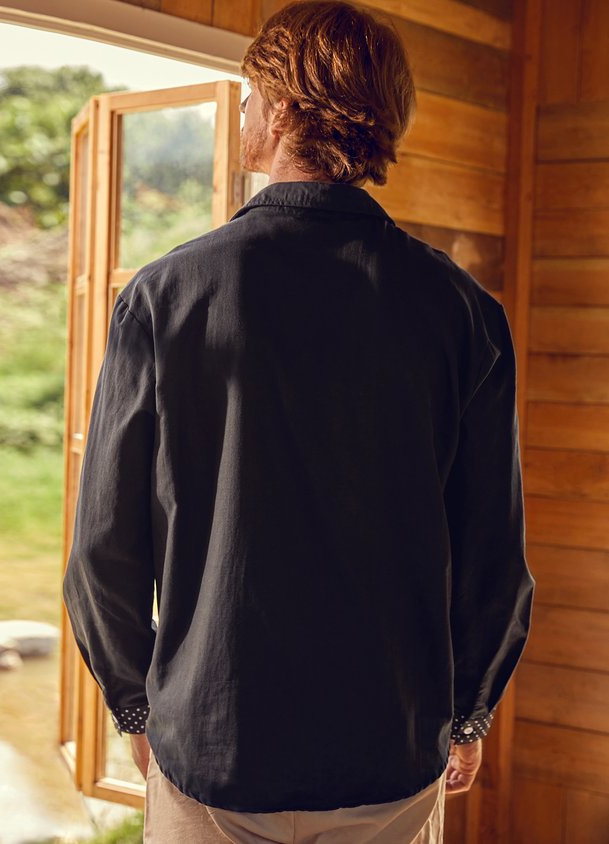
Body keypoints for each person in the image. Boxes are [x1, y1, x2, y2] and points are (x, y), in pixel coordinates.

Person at [62, 1, 536, 841]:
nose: (245, 111)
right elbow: (490, 552)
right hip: (388, 752)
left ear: (282, 111)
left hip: (213, 748)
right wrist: (467, 712)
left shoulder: (166, 296)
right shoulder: (462, 311)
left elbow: (105, 542)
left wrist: (134, 703)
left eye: (250, 95)